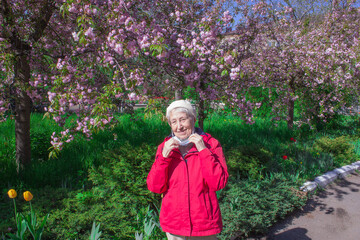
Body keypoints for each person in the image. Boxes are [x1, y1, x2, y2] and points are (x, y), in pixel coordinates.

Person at [147, 100, 228, 240]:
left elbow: (218, 183)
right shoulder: (164, 148)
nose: (179, 126)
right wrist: (164, 157)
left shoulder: (211, 144)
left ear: (194, 119)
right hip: (175, 224)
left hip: (204, 224)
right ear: (170, 125)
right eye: (174, 122)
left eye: (183, 119)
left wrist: (203, 150)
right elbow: (155, 186)